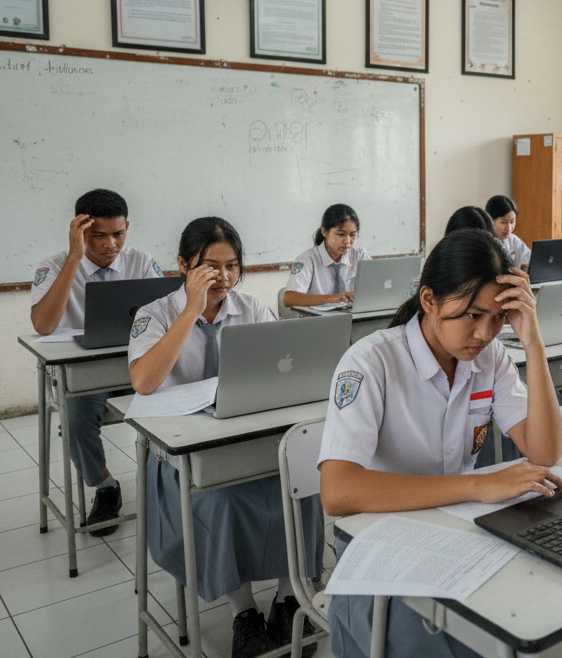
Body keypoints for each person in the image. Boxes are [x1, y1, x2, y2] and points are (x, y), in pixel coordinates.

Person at [318, 228, 562, 658]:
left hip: (457, 532)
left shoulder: (490, 358)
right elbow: (338, 492)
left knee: (538, 613)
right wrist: (476, 486)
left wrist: (533, 340)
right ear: (429, 300)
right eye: (472, 315)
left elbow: (545, 452)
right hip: (380, 543)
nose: (485, 333)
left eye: (497, 318)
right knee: (451, 642)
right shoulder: (371, 361)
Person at [128, 217, 323, 658]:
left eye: (232, 266)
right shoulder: (154, 315)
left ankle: (288, 597)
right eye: (210, 267)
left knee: (303, 487)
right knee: (223, 501)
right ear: (182, 265)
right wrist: (191, 311)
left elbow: (280, 373)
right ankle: (243, 611)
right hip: (185, 458)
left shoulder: (251, 309)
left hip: (249, 442)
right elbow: (143, 380)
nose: (224, 277)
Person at [30, 188, 162, 537]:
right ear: (78, 231)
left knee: (177, 404)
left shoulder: (141, 262)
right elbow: (42, 325)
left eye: (118, 234)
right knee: (76, 419)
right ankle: (105, 487)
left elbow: (169, 316)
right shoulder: (53, 266)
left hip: (135, 365)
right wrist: (75, 258)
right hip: (85, 374)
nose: (110, 245)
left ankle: (161, 484)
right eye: (97, 235)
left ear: (127, 228)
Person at [282, 204, 370, 308]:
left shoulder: (359, 255)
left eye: (352, 235)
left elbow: (376, 287)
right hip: (318, 321)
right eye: (341, 234)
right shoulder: (308, 260)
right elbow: (289, 299)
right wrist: (333, 298)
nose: (347, 241)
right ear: (324, 232)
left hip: (353, 318)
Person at [486, 195, 530, 271]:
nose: (509, 228)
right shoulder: (483, 242)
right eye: (503, 222)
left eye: (512, 222)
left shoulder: (513, 240)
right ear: (490, 220)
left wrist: (526, 268)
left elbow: (528, 258)